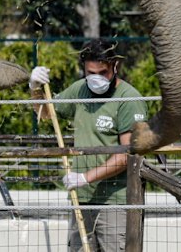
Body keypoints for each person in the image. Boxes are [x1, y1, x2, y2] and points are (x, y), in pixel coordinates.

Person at [29, 39, 148, 252]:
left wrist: (84, 177)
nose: (96, 79)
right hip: (81, 198)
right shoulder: (80, 90)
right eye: (90, 73)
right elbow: (46, 114)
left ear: (115, 66)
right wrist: (35, 89)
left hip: (116, 201)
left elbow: (127, 155)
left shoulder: (129, 99)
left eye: (102, 73)